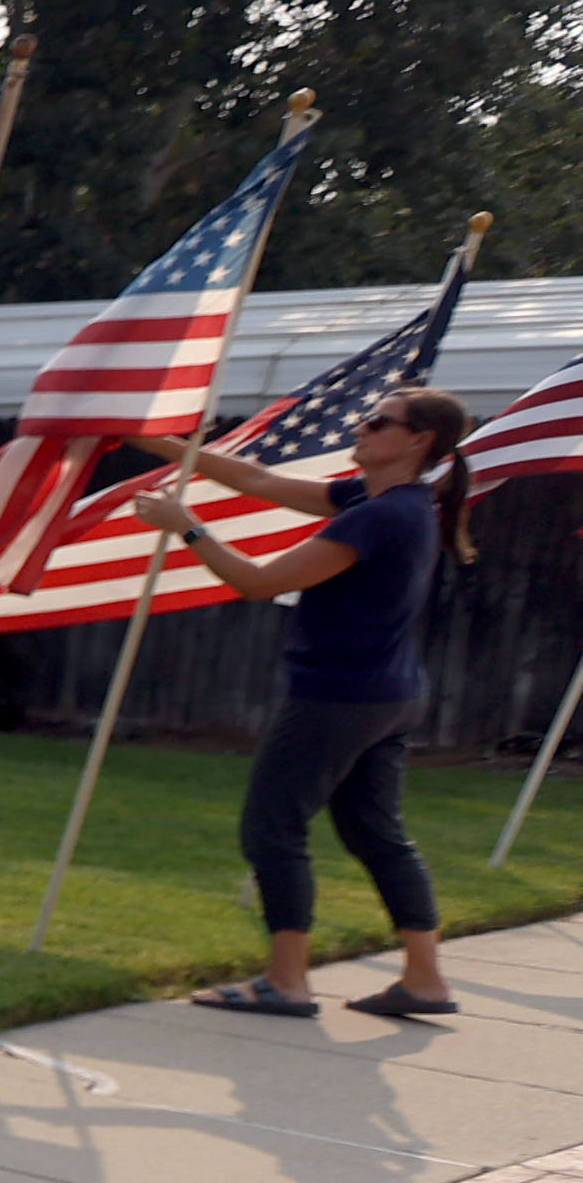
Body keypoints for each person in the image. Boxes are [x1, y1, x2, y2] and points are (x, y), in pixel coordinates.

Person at [138, 386, 475, 1019]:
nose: (360, 426)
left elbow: (259, 582)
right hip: (390, 694)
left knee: (271, 827)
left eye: (377, 421)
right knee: (375, 832)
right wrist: (154, 443)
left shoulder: (380, 516)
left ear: (418, 441)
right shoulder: (390, 501)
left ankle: (286, 982)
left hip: (339, 696)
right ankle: (425, 980)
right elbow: (260, 480)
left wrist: (185, 526)